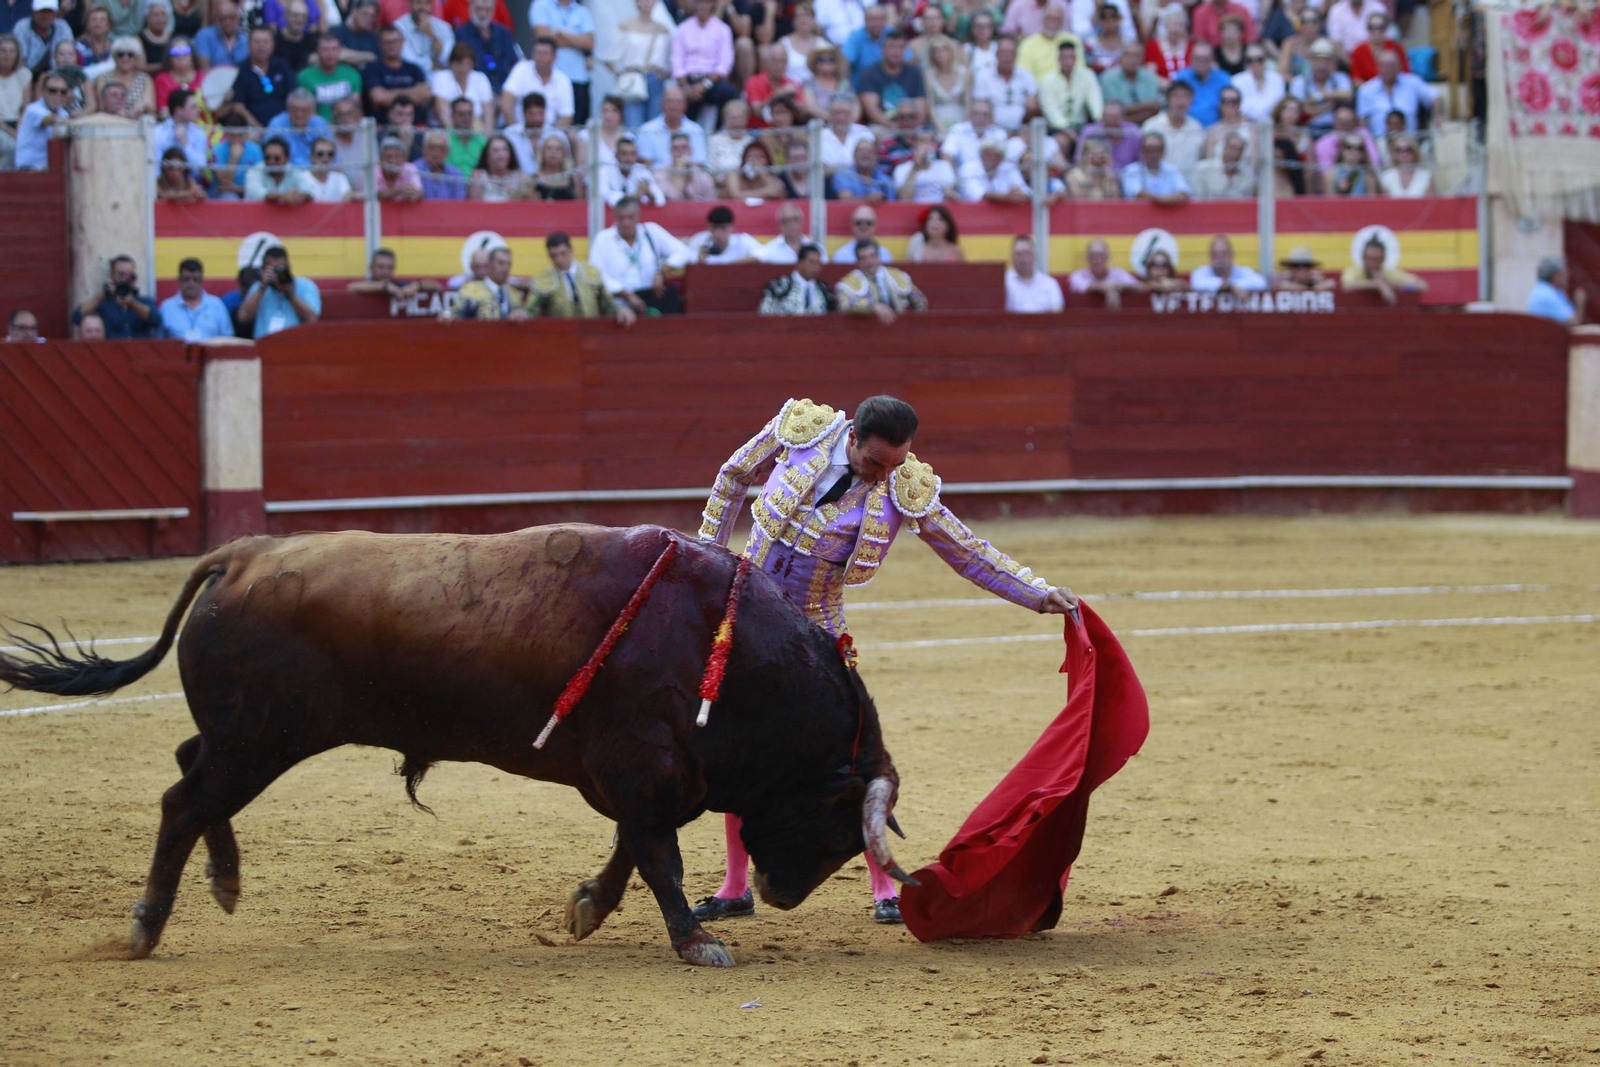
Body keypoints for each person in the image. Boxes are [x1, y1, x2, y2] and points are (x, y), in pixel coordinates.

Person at [691, 393, 1078, 925]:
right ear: (851, 437)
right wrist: (708, 558)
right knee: (740, 748)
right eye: (875, 462)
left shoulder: (902, 486)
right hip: (747, 618)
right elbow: (733, 475)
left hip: (817, 632)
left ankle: (883, 889)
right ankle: (735, 886)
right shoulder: (802, 429)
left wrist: (1037, 592)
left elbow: (965, 551)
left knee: (854, 760)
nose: (883, 476)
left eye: (895, 464)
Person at [589, 195, 692, 315]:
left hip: (651, 298)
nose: (626, 223)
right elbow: (596, 274)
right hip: (619, 304)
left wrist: (662, 272)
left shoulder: (652, 232)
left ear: (639, 215)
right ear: (615, 216)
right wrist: (626, 295)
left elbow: (685, 252)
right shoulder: (603, 239)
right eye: (621, 218)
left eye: (630, 217)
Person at [526, 231, 635, 326]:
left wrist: (620, 311)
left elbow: (607, 304)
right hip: (560, 332)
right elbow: (531, 310)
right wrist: (523, 313)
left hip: (590, 330)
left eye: (563, 253)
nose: (559, 260)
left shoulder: (591, 272)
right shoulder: (544, 279)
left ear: (571, 250)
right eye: (554, 255)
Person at [605, 0, 672, 129]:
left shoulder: (663, 29)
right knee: (633, 125)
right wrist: (621, 75)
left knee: (655, 127)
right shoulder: (625, 26)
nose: (647, 3)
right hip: (633, 80)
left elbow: (669, 62)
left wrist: (663, 75)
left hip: (655, 81)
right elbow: (609, 58)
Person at [672, 0, 737, 126]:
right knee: (675, 97)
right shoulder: (682, 29)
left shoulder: (723, 29)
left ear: (712, 5)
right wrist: (686, 87)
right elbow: (677, 61)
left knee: (728, 93)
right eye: (698, 2)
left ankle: (718, 131)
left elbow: (725, 63)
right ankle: (682, 132)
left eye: (705, 2)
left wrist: (705, 84)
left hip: (711, 81)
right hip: (688, 80)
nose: (702, 6)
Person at [236, 246, 321, 340]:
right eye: (272, 270)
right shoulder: (258, 288)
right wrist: (262, 288)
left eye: (280, 269)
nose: (276, 274)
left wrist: (290, 293)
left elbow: (312, 319)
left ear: (288, 267)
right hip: (264, 342)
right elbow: (243, 317)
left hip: (294, 343)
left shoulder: (305, 286)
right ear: (264, 269)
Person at [836, 239, 925, 322]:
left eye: (873, 256)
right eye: (863, 258)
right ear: (858, 262)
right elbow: (844, 305)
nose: (870, 262)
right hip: (866, 331)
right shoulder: (850, 282)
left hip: (900, 328)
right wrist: (872, 306)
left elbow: (920, 300)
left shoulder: (896, 276)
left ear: (879, 257)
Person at [72, 254, 156, 339]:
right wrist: (104, 294)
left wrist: (132, 303)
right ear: (111, 275)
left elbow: (156, 320)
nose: (125, 278)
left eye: (130, 275)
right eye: (121, 274)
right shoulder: (103, 304)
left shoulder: (144, 301)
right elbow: (76, 317)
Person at [223, 27, 293, 127]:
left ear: (273, 45)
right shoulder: (240, 71)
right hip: (251, 128)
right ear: (249, 45)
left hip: (283, 126)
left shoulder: (282, 67)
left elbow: (292, 97)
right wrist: (258, 128)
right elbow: (238, 106)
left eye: (266, 42)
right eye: (257, 42)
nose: (261, 46)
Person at [1037, 38, 1100, 148]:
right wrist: (1069, 131)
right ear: (1058, 59)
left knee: (1095, 141)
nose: (1068, 62)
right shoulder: (1047, 80)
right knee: (1062, 141)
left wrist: (1099, 120)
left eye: (1071, 58)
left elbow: (1095, 102)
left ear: (1076, 59)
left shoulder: (1087, 76)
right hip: (1056, 128)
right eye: (1064, 58)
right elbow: (1051, 111)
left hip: (1082, 126)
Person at [1356, 50, 1433, 138]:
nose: (1388, 69)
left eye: (1391, 65)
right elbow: (1362, 121)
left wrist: (1438, 115)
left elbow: (1435, 97)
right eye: (1384, 66)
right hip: (1379, 141)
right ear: (1378, 67)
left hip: (1410, 140)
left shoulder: (1413, 82)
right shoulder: (1366, 90)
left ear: (1399, 66)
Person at [857, 26, 925, 127]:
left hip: (911, 125)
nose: (896, 52)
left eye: (900, 47)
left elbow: (921, 107)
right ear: (882, 49)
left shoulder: (915, 73)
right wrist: (893, 127)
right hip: (881, 125)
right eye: (892, 47)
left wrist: (910, 129)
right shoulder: (869, 73)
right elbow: (871, 109)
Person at [441, 244, 529, 321]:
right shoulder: (471, 290)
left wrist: (520, 313)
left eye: (509, 264)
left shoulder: (513, 293)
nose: (506, 268)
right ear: (489, 265)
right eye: (501, 263)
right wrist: (447, 315)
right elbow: (456, 314)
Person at [364, 25, 430, 126]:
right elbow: (378, 97)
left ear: (402, 42)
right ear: (380, 44)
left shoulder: (414, 69)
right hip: (383, 127)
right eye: (387, 42)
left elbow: (425, 93)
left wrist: (388, 94)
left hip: (414, 126)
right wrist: (413, 93)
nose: (392, 46)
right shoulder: (372, 69)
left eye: (395, 41)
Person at [1140, 80, 1204, 182]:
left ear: (1191, 101)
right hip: (1157, 185)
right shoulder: (1151, 126)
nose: (1180, 102)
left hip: (1189, 185)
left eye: (1185, 97)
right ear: (1167, 100)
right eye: (1176, 96)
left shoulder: (1196, 128)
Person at [157, 257, 233, 341]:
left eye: (196, 279)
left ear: (202, 281)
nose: (191, 283)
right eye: (186, 279)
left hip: (210, 349)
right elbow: (159, 341)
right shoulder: (167, 307)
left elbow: (228, 338)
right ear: (179, 280)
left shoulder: (216, 305)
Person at [972, 33, 1036, 132]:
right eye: (1003, 52)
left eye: (1011, 53)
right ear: (996, 54)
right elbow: (981, 107)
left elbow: (1032, 107)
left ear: (1016, 55)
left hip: (1022, 130)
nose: (1007, 57)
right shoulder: (983, 76)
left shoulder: (1026, 76)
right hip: (991, 130)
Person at [452, 0, 517, 96]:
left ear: (493, 10)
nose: (483, 14)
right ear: (470, 8)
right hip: (474, 92)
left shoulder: (504, 33)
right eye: (479, 9)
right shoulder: (460, 34)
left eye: (487, 10)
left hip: (503, 91)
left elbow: (514, 65)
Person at [1289, 40, 1351, 137]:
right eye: (1317, 60)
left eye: (1326, 61)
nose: (1322, 65)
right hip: (1306, 130)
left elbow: (1348, 94)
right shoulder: (1299, 82)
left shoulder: (1340, 78)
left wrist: (1319, 96)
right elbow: (1301, 110)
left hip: (1335, 131)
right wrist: (1328, 106)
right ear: (1310, 61)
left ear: (1332, 62)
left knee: (1345, 114)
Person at [636, 82, 707, 167]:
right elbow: (646, 165)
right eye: (670, 101)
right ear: (662, 104)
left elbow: (699, 164)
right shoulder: (646, 130)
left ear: (685, 105)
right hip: (657, 174)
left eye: (678, 101)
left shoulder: (696, 130)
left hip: (688, 173)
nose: (674, 105)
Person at [1340, 235, 1425, 305]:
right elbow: (1347, 285)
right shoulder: (1354, 271)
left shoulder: (1389, 273)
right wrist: (1378, 284)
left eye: (1376, 259)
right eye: (1369, 259)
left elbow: (1421, 285)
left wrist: (1389, 284)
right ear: (1363, 258)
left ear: (1383, 259)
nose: (1372, 263)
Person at [298, 32, 363, 120]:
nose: (330, 54)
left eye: (334, 49)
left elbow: (356, 110)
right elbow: (308, 112)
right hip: (320, 127)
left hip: (347, 125)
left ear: (340, 50)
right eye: (325, 50)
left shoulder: (352, 74)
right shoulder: (305, 77)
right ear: (317, 51)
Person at [758, 242, 834, 315]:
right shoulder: (780, 285)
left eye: (818, 263)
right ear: (800, 263)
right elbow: (765, 312)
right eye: (811, 262)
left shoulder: (824, 289)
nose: (815, 267)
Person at [91, 36, 156, 119]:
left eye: (130, 55)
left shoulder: (145, 79)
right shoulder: (102, 78)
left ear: (136, 58)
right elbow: (101, 106)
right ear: (114, 57)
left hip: (137, 120)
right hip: (110, 120)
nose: (125, 58)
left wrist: (140, 107)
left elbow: (150, 106)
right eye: (120, 54)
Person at [266, 87, 332, 167]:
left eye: (304, 110)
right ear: (287, 109)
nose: (299, 114)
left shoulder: (319, 123)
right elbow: (269, 155)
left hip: (315, 170)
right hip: (286, 171)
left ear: (312, 111)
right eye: (295, 109)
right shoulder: (277, 123)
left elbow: (331, 155)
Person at [347, 247, 443, 300]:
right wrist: (385, 287)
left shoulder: (399, 286)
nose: (385, 272)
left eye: (390, 268)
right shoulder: (366, 287)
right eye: (381, 267)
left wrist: (417, 286)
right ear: (371, 268)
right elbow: (351, 287)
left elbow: (437, 286)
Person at [960, 128, 1028, 202]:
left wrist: (1019, 193)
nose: (991, 159)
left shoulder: (1009, 168)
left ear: (1002, 158)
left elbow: (1024, 190)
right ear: (981, 154)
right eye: (988, 154)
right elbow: (978, 194)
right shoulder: (967, 169)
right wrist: (1006, 197)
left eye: (996, 155)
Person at [744, 41, 802, 129]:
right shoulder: (753, 82)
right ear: (767, 62)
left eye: (782, 61)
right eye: (775, 61)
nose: (779, 65)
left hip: (786, 132)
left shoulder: (793, 84)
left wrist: (793, 102)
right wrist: (779, 93)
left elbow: (801, 115)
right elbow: (758, 112)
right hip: (759, 131)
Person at [597, 133, 666, 205]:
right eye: (624, 153)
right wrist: (634, 197)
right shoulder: (605, 170)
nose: (629, 158)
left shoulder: (641, 170)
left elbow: (661, 200)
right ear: (616, 155)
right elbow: (603, 195)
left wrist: (649, 193)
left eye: (632, 154)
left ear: (637, 156)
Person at [1121, 132, 1190, 204]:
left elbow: (1184, 192)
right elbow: (1137, 192)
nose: (1153, 154)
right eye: (1148, 150)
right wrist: (1162, 200)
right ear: (1142, 151)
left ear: (1163, 151)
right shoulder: (1131, 170)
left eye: (1157, 150)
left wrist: (1165, 200)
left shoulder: (1172, 170)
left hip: (1170, 210)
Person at [893, 127, 958, 203]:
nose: (928, 145)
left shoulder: (944, 166)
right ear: (914, 144)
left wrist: (951, 194)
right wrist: (916, 166)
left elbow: (949, 193)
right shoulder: (901, 169)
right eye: (923, 141)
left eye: (931, 141)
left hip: (937, 208)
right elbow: (904, 198)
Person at [1172, 42, 1230, 127]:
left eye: (1205, 59)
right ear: (1191, 59)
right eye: (1198, 59)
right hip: (1186, 128)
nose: (1201, 63)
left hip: (1216, 128)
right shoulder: (1181, 78)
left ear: (1212, 60)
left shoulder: (1223, 79)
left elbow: (1230, 105)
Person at [1014, 3, 1075, 84]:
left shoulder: (1072, 41)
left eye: (1057, 19)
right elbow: (1024, 75)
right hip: (1038, 89)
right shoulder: (1027, 44)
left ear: (1062, 23)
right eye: (1049, 18)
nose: (1053, 22)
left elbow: (1079, 71)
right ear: (1042, 20)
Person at [1100, 40, 1159, 124]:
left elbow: (1154, 109)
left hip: (1147, 124)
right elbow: (1114, 111)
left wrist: (1126, 116)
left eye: (1137, 55)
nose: (1132, 59)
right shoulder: (1109, 77)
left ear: (1142, 58)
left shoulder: (1149, 78)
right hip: (1116, 127)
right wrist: (1145, 105)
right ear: (1121, 58)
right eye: (1128, 55)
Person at [1068, 235, 1136, 306]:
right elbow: (1086, 287)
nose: (1097, 260)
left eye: (1101, 255)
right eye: (1093, 256)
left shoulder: (1118, 273)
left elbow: (1137, 286)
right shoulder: (1077, 275)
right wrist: (1108, 289)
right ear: (1087, 258)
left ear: (1107, 257)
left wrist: (1114, 287)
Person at [245, 135, 317, 202]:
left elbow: (310, 191)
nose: (271, 161)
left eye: (277, 158)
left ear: (287, 158)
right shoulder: (255, 170)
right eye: (267, 157)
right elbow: (255, 193)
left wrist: (300, 196)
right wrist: (283, 196)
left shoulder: (294, 171)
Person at [1004, 234, 1063, 312]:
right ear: (1011, 257)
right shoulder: (1004, 282)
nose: (1023, 259)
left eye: (1027, 253)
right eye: (1018, 254)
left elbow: (1057, 313)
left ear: (1035, 256)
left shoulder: (1049, 284)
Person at [1189, 233, 1267, 293]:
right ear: (1210, 257)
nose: (1220, 258)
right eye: (1215, 254)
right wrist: (1229, 287)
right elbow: (1196, 284)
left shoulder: (1242, 271)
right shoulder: (1200, 272)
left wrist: (1230, 285)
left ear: (1231, 255)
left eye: (1224, 254)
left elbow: (1260, 283)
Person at [687, 205, 763, 264]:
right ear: (708, 227)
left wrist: (733, 263)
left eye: (723, 227)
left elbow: (762, 255)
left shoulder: (743, 241)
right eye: (714, 227)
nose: (718, 232)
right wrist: (698, 260)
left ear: (731, 227)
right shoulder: (699, 241)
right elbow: (687, 259)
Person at [654, 129, 716, 200]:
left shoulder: (702, 176)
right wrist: (679, 171)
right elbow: (674, 199)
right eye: (675, 148)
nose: (680, 152)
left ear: (691, 150)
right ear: (670, 151)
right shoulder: (660, 173)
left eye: (684, 147)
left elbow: (710, 201)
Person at [1192, 130, 1256, 199]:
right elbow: (1198, 199)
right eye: (1232, 148)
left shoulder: (1248, 175)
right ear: (1224, 148)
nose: (1235, 153)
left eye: (1239, 150)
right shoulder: (1203, 170)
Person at [1525, 257, 1587, 327]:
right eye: (1564, 273)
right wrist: (1580, 302)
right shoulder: (1547, 295)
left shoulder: (1550, 290)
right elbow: (1573, 323)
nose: (1567, 276)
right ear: (1556, 276)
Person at [466, 132, 529, 200]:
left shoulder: (519, 176)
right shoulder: (478, 176)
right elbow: (475, 204)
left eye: (504, 149)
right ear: (486, 155)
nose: (501, 154)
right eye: (495, 150)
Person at [1231, 43, 1283, 123]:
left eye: (1259, 59)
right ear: (1245, 62)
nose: (1255, 63)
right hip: (1245, 124)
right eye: (1250, 60)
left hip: (1273, 123)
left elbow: (1280, 106)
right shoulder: (1237, 81)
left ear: (1266, 59)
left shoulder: (1277, 79)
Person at [395, 0, 452, 72]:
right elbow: (408, 59)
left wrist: (431, 35)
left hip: (440, 75)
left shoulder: (444, 27)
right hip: (411, 74)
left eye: (427, 3)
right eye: (418, 2)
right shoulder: (399, 27)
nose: (423, 7)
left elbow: (448, 57)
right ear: (410, 4)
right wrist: (431, 65)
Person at [832, 135, 894, 200]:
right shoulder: (844, 175)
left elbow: (892, 202)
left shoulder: (885, 180)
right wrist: (868, 199)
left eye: (870, 151)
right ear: (854, 155)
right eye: (860, 151)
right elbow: (845, 200)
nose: (865, 154)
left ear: (876, 156)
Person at [15, 0, 71, 73]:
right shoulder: (22, 27)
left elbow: (71, 56)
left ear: (55, 13)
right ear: (33, 11)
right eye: (41, 11)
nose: (45, 16)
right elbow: (20, 60)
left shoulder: (62, 27)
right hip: (28, 75)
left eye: (49, 12)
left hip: (58, 75)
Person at [723, 137, 787, 199]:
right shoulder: (735, 173)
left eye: (761, 157)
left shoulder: (771, 176)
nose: (755, 161)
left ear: (768, 160)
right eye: (751, 156)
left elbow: (777, 192)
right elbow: (736, 195)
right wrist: (767, 192)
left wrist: (762, 173)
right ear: (744, 159)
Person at [193, 0, 248, 68]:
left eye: (231, 17)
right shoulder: (204, 36)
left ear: (237, 18)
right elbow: (204, 69)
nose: (227, 22)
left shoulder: (245, 40)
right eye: (223, 18)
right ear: (217, 19)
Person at [1322, 130, 1377, 196]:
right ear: (1342, 150)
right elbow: (1329, 200)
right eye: (1349, 147)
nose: (1354, 151)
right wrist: (1341, 191)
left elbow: (1371, 200)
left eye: (1359, 148)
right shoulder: (1331, 173)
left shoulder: (1368, 175)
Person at [1379, 134, 1431, 198]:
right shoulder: (1386, 176)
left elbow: (1431, 202)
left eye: (1408, 150)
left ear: (1415, 152)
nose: (1404, 154)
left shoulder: (1426, 176)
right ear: (1394, 153)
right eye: (1399, 150)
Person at [272, 0, 317, 73]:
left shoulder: (312, 42)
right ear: (286, 15)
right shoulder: (274, 42)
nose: (300, 20)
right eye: (295, 15)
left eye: (304, 16)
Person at [304, 135, 354, 200]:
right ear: (312, 157)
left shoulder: (340, 178)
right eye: (320, 154)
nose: (325, 159)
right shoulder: (302, 178)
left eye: (330, 154)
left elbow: (348, 195)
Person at [1191, 0, 1256, 48]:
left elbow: (1250, 40)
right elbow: (1200, 41)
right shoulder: (1200, 12)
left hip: (1241, 56)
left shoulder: (1242, 11)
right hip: (1211, 58)